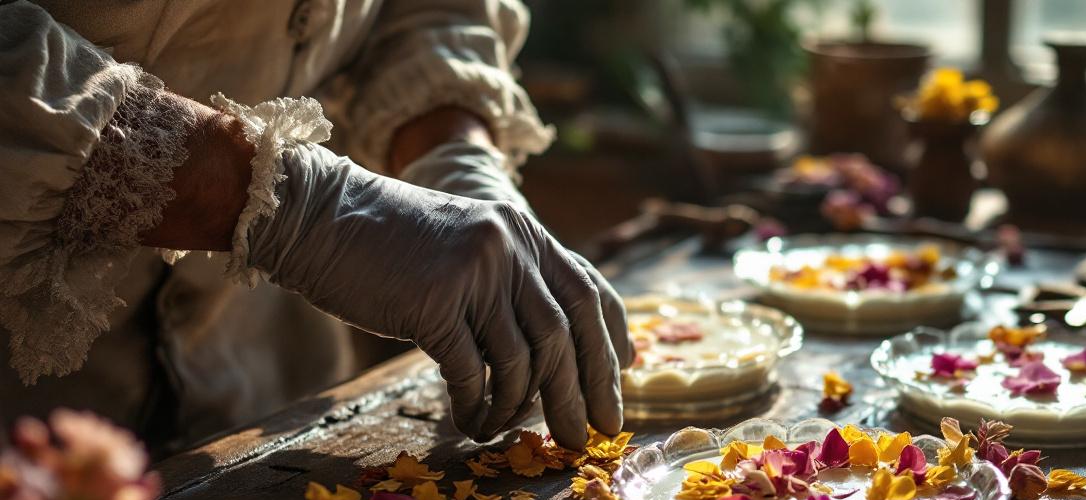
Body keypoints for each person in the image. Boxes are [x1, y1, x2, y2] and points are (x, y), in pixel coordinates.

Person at [0, 0, 631, 452]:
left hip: (276, 386)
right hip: (32, 440)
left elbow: (427, 12)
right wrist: (306, 210)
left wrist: (456, 157)